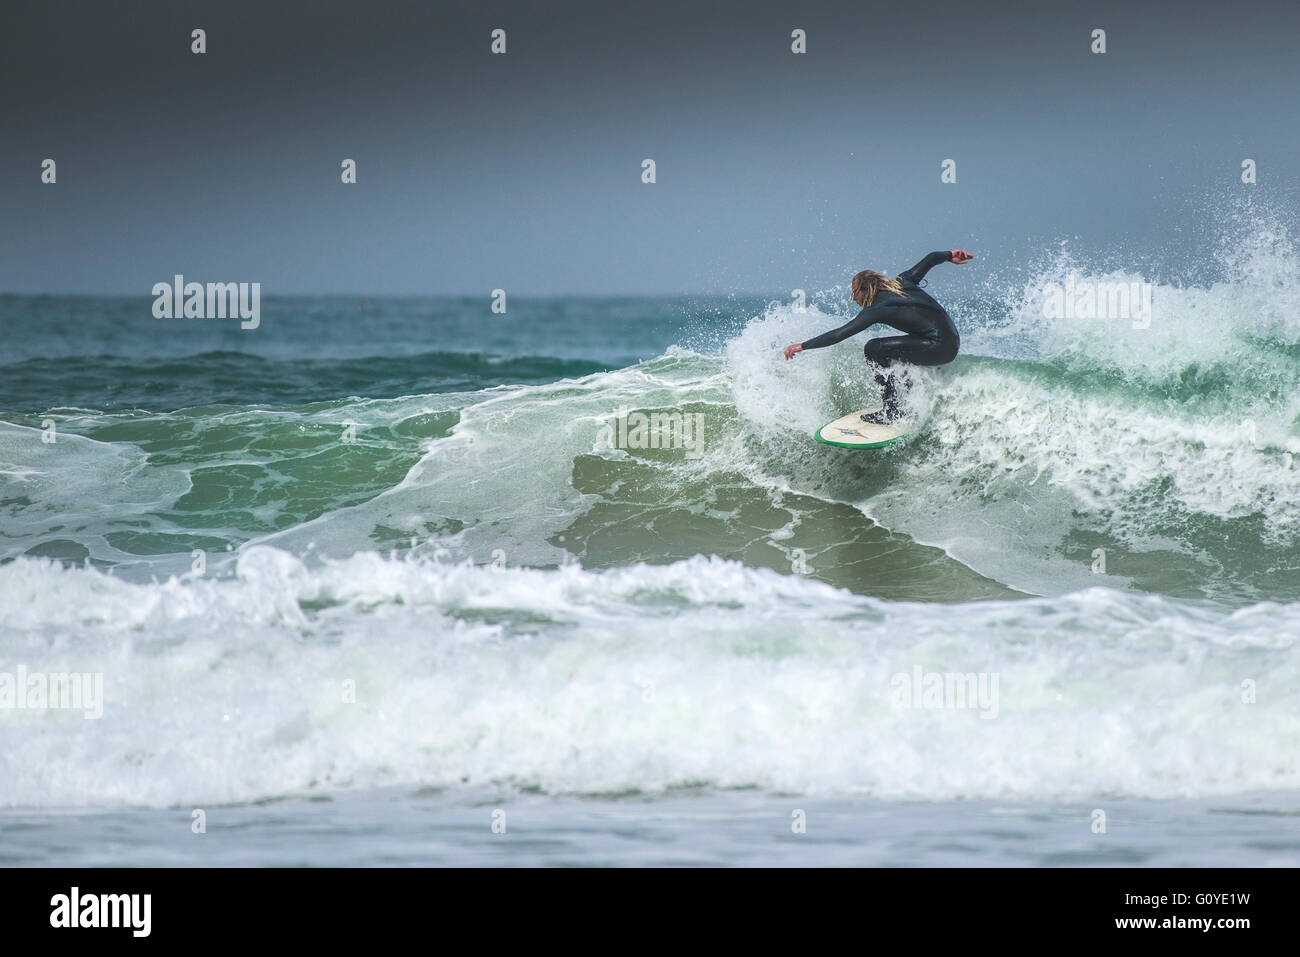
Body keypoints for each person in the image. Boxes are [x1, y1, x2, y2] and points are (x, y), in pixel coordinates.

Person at [784, 249, 973, 423]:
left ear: (866, 290)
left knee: (874, 348)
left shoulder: (877, 309)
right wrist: (949, 255)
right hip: (952, 342)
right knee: (895, 353)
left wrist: (802, 346)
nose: (854, 299)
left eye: (854, 293)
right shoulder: (903, 281)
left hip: (937, 347)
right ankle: (911, 398)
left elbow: (839, 334)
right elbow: (931, 258)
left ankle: (891, 411)